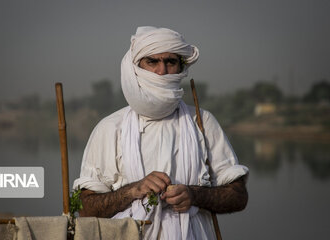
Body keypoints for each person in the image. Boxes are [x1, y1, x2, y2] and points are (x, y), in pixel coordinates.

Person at [73, 26, 249, 239]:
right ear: (136, 67)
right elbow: (86, 208)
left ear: (180, 67)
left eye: (170, 62)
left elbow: (238, 196)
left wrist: (194, 195)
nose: (162, 71)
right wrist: (133, 190)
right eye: (152, 62)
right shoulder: (110, 127)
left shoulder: (202, 122)